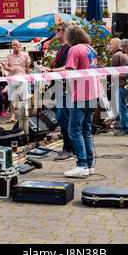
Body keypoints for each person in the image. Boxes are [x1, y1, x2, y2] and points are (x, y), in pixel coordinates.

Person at [63, 25, 100, 177]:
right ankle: (89, 164)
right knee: (86, 130)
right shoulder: (91, 49)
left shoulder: (74, 49)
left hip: (80, 94)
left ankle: (82, 164)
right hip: (94, 93)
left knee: (74, 130)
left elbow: (70, 71)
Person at [41, 22, 74, 160]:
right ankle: (69, 148)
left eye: (59, 30)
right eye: (56, 30)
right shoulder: (61, 47)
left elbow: (67, 67)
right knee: (63, 118)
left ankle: (69, 149)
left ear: (66, 32)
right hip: (60, 87)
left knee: (64, 118)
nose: (56, 32)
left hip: (68, 88)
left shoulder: (69, 48)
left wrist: (52, 70)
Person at [3, 40, 31, 122]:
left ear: (20, 46)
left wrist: (28, 77)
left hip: (22, 78)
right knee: (11, 98)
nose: (14, 46)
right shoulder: (9, 55)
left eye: (15, 45)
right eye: (12, 45)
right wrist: (11, 69)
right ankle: (12, 116)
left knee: (24, 97)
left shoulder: (25, 55)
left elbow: (28, 67)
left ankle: (25, 114)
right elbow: (5, 66)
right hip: (12, 78)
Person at [109, 38, 128, 136]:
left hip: (120, 85)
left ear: (116, 45)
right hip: (127, 84)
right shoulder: (125, 55)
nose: (109, 46)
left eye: (111, 44)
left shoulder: (116, 55)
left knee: (122, 108)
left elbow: (111, 72)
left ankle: (126, 129)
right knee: (126, 107)